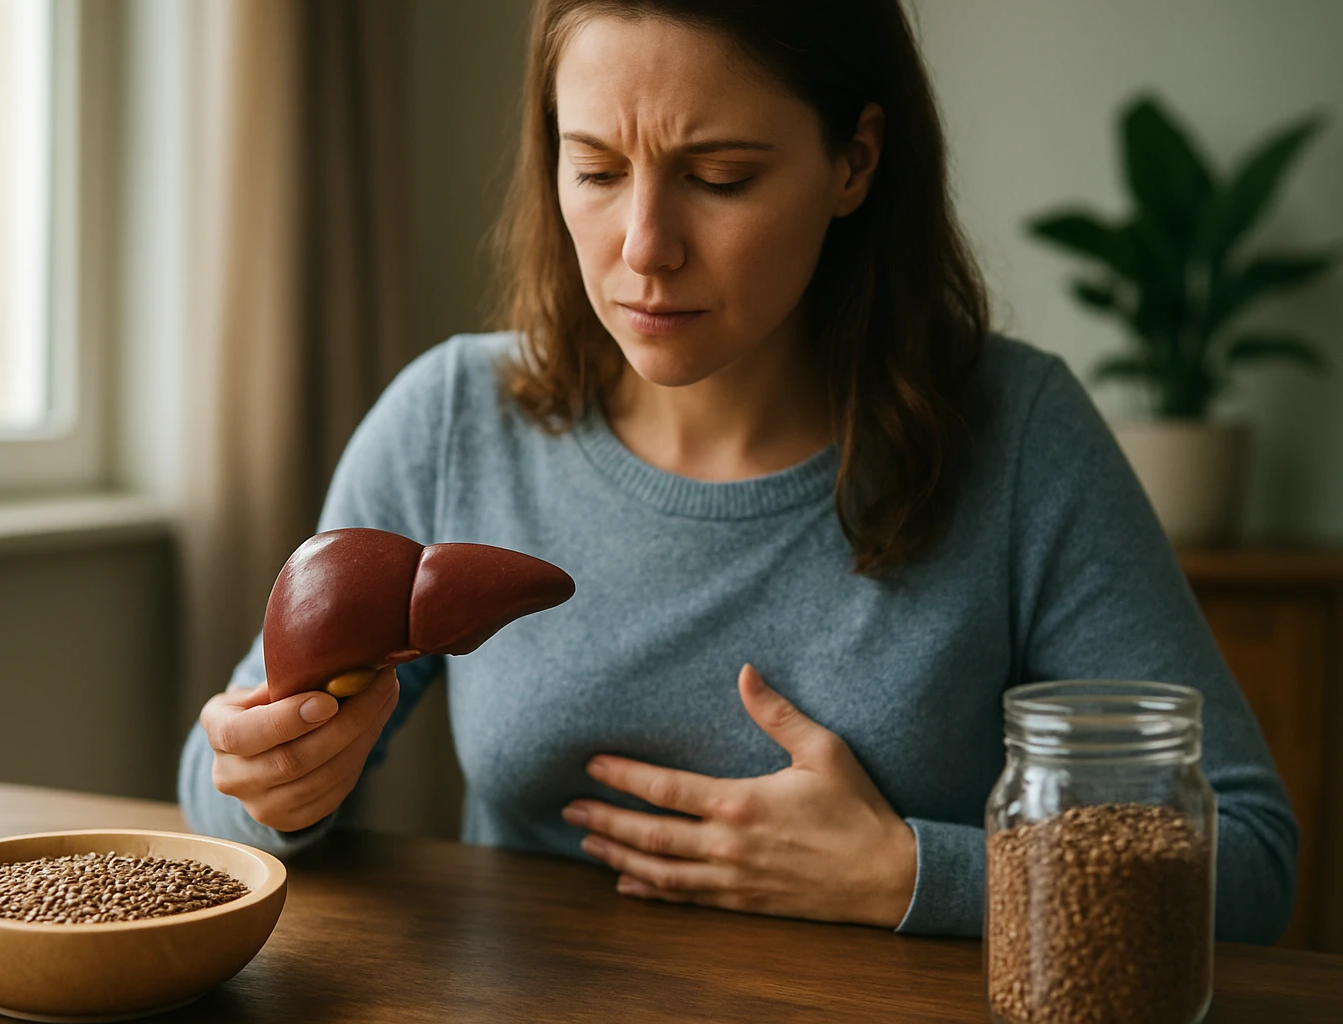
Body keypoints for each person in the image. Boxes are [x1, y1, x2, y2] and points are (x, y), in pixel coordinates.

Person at [179, 0, 1297, 940]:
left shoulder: (1019, 433)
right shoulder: (451, 419)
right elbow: (213, 790)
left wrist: (909, 872)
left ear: (854, 162)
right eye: (597, 168)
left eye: (718, 176)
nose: (643, 245)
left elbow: (1248, 859)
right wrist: (276, 782)